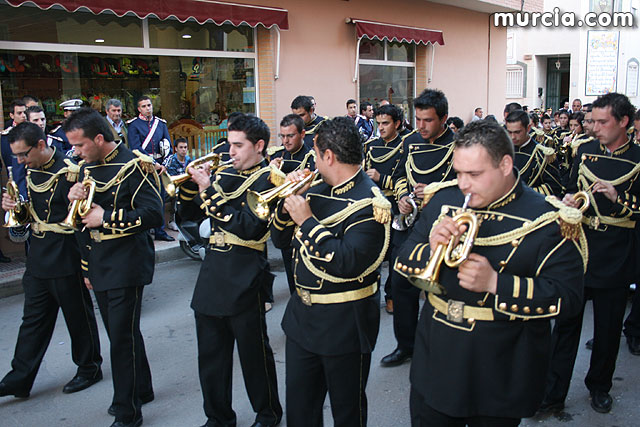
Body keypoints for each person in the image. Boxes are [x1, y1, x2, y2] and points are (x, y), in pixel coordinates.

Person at [396, 119, 585, 426]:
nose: (463, 184)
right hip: (437, 356)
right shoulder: (443, 200)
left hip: (501, 366)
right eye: (458, 172)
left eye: (474, 174)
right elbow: (403, 257)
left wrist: (497, 283)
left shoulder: (547, 218)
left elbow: (569, 297)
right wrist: (432, 249)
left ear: (506, 164)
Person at [271, 116, 390, 427]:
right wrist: (288, 206)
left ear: (328, 156)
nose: (311, 157)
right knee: (300, 411)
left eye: (315, 150)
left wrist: (307, 221)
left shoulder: (371, 202)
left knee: (347, 413)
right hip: (301, 320)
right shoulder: (317, 189)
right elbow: (280, 240)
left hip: (345, 324)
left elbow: (347, 262)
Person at [180, 113, 282, 427]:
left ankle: (268, 413)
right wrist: (190, 185)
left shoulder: (270, 180)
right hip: (212, 272)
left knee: (254, 354)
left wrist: (209, 190)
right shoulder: (224, 172)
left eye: (238, 145)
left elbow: (249, 227)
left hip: (246, 272)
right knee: (211, 356)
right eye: (229, 144)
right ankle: (218, 417)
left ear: (260, 145)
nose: (231, 151)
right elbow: (190, 214)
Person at [541, 92, 640, 415]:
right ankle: (552, 393)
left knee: (608, 330)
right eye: (592, 121)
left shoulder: (638, 158)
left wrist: (618, 197)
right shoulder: (583, 151)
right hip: (579, 250)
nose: (594, 128)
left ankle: (599, 386)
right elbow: (569, 187)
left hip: (616, 253)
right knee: (565, 325)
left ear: (623, 122)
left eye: (602, 122)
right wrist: (568, 200)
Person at [65, 108, 162, 427]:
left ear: (99, 138)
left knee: (119, 339)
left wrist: (106, 217)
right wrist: (86, 268)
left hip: (127, 262)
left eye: (80, 146)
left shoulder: (135, 165)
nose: (76, 153)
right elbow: (81, 222)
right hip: (99, 262)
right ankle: (142, 389)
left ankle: (127, 411)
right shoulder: (84, 168)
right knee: (123, 332)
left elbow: (154, 214)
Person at [0, 122, 102, 399]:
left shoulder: (70, 171)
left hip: (66, 254)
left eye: (23, 154)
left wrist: (87, 264)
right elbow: (30, 215)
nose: (20, 161)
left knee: (77, 316)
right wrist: (13, 207)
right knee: (32, 320)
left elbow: (83, 219)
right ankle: (19, 378)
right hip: (38, 258)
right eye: (16, 156)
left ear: (41, 145)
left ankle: (89, 367)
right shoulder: (30, 169)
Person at [382, 88, 456, 368]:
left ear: (444, 118)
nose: (421, 126)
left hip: (443, 228)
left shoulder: (458, 145)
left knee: (442, 290)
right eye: (419, 119)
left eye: (428, 120)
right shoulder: (410, 142)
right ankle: (406, 345)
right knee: (401, 286)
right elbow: (401, 174)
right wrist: (402, 197)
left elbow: (465, 186)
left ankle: (440, 349)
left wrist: (436, 193)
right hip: (409, 224)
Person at [364, 104, 409, 314]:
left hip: (396, 205)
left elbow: (406, 179)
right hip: (374, 203)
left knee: (394, 255)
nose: (380, 127)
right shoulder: (370, 145)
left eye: (385, 123)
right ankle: (370, 293)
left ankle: (391, 295)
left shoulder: (406, 145)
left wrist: (382, 178)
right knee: (372, 252)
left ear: (397, 124)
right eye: (378, 123)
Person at [268, 114, 315, 295]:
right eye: (282, 136)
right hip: (279, 217)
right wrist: (270, 169)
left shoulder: (310, 157)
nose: (286, 141)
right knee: (287, 261)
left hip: (299, 218)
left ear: (302, 134)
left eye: (290, 136)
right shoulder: (275, 155)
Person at [127, 95, 175, 241]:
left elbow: (168, 145)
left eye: (149, 105)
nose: (148, 109)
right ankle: (146, 230)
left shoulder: (160, 124)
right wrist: (153, 163)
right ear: (139, 109)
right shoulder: (134, 125)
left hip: (160, 167)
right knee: (145, 200)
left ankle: (160, 231)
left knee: (160, 199)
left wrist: (164, 165)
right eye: (144, 106)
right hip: (144, 166)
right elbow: (135, 148)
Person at [505, 110, 563, 196]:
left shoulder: (542, 155)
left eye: (517, 132)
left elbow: (554, 187)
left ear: (528, 128)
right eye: (509, 132)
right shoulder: (503, 152)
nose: (513, 137)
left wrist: (524, 193)